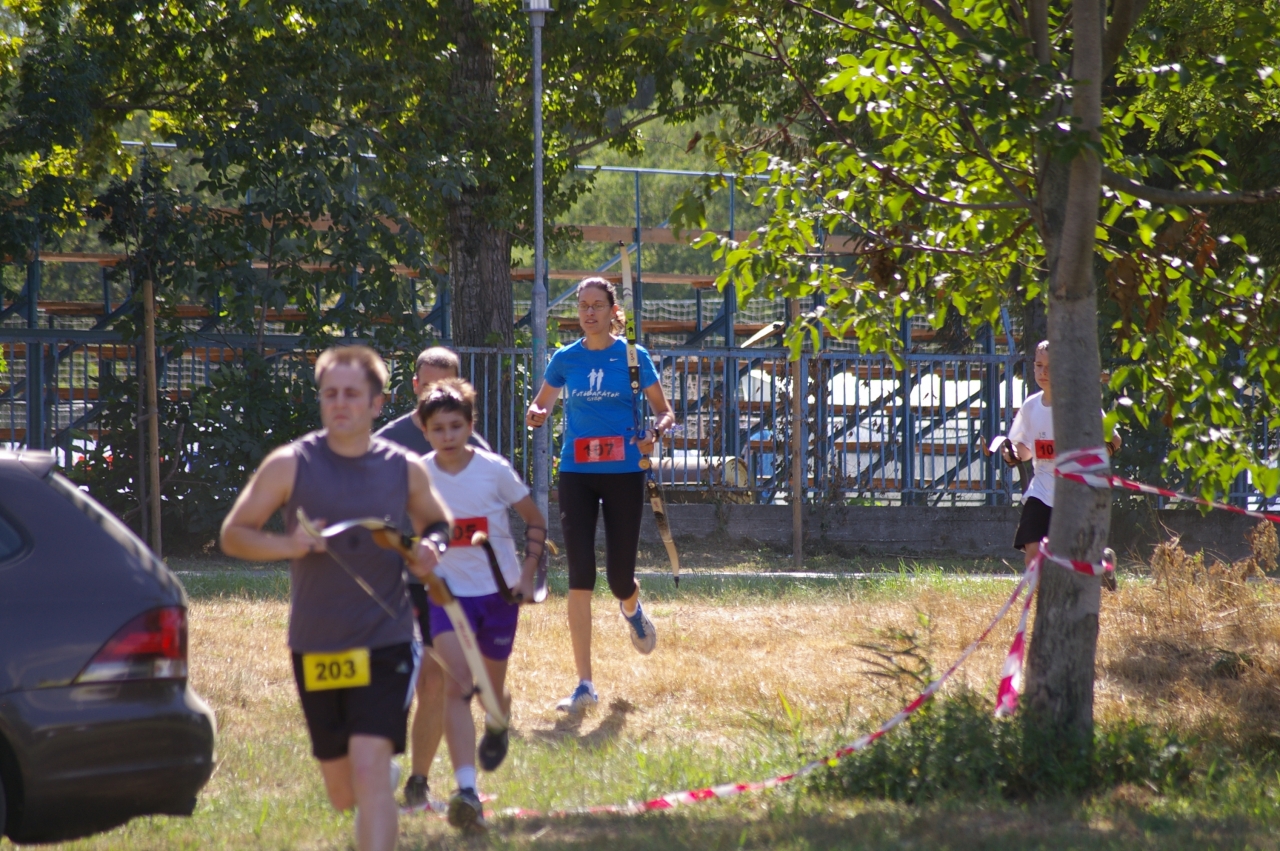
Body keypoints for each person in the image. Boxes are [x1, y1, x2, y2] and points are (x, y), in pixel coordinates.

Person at [220, 345, 452, 851]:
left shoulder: (404, 468)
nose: (340, 403)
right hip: (318, 643)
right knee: (343, 792)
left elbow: (438, 522)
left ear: (376, 402)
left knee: (368, 773)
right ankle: (375, 776)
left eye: (351, 394)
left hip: (387, 639)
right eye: (330, 394)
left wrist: (431, 548)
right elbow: (234, 534)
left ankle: (377, 773)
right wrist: (291, 545)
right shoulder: (290, 464)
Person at [524, 277, 675, 713]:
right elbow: (542, 404)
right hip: (577, 472)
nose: (589, 313)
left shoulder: (633, 356)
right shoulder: (565, 358)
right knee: (581, 575)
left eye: (597, 305)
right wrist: (536, 413)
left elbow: (665, 412)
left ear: (612, 310)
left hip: (625, 472)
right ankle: (584, 685)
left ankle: (632, 608)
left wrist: (654, 433)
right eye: (583, 306)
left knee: (618, 579)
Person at [415, 378, 548, 831]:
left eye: (456, 426)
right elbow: (414, 531)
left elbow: (535, 521)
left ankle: (497, 720)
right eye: (438, 428)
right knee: (458, 685)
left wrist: (527, 575)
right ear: (424, 430)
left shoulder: (494, 471)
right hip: (446, 596)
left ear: (470, 426)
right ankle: (466, 791)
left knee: (492, 692)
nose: (447, 435)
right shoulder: (418, 475)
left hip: (499, 594)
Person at [374, 345, 487, 809]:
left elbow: (487, 519)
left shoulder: (476, 450)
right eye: (427, 385)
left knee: (436, 683)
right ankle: (377, 760)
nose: (435, 394)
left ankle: (417, 784)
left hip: (449, 585)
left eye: (446, 385)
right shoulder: (388, 442)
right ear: (415, 386)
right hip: (394, 582)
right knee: (397, 675)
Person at [1005, 340, 1121, 568]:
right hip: (1041, 491)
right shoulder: (1030, 406)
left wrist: (1098, 455)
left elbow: (1115, 440)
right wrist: (1012, 454)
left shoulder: (1080, 405)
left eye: (1051, 367)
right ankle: (1044, 591)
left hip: (1075, 492)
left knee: (1076, 558)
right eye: (1039, 365)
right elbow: (1025, 450)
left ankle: (1103, 564)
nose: (1043, 372)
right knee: (1032, 554)